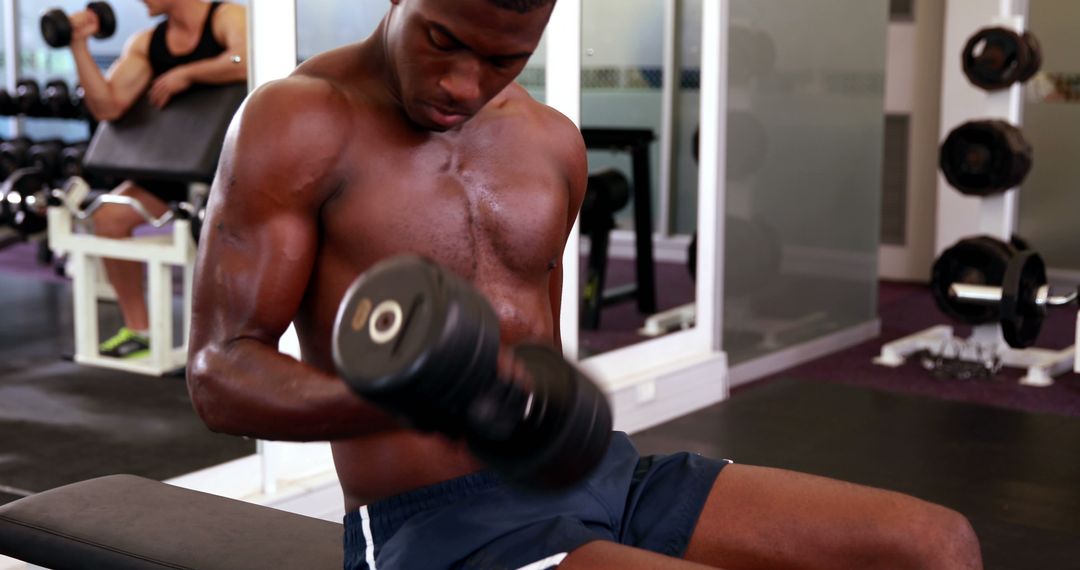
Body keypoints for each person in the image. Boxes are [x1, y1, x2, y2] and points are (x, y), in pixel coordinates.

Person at [187, 0, 983, 568]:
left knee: (933, 544)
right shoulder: (298, 121)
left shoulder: (551, 143)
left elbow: (541, 350)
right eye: (443, 39)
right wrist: (409, 393)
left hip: (596, 473)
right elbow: (220, 374)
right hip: (438, 525)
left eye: (503, 59)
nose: (464, 85)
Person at [67, 0, 247, 359]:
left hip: (233, 167)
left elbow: (245, 58)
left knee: (233, 239)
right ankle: (140, 331)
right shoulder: (147, 43)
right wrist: (78, 47)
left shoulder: (226, 16)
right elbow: (108, 105)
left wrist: (189, 74)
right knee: (108, 218)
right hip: (175, 168)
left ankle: (237, 343)